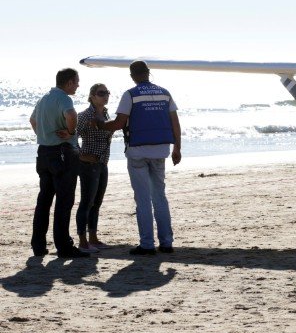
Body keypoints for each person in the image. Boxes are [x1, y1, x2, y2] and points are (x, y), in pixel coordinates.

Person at [96, 61, 182, 255]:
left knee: (143, 199)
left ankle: (147, 244)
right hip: (161, 150)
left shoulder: (131, 95)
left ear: (132, 76)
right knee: (160, 197)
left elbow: (119, 123)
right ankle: (166, 242)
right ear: (148, 73)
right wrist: (178, 148)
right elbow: (175, 122)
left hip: (138, 152)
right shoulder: (165, 93)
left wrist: (100, 125)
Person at [29, 68, 89, 258]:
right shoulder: (64, 98)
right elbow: (71, 115)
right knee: (64, 201)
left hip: (44, 152)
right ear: (69, 82)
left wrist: (44, 135)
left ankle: (38, 246)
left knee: (44, 200)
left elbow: (32, 120)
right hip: (62, 152)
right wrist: (71, 133)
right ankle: (64, 246)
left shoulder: (44, 98)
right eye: (77, 82)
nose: (78, 85)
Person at [75, 84, 114, 252]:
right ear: (91, 96)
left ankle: (93, 238)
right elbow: (71, 137)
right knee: (86, 202)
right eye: (101, 93)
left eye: (107, 93)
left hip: (103, 163)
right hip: (89, 164)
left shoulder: (105, 114)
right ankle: (83, 242)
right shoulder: (84, 115)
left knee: (96, 203)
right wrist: (81, 156)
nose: (105, 96)